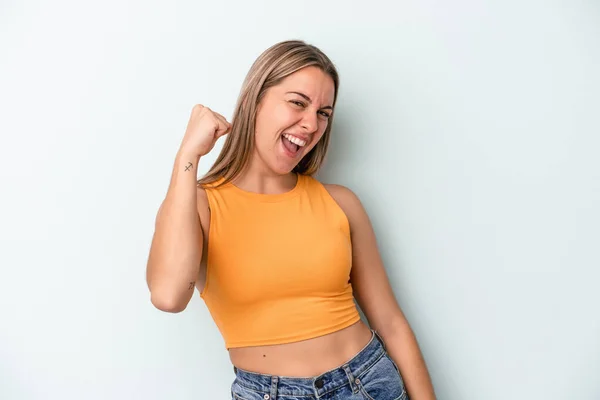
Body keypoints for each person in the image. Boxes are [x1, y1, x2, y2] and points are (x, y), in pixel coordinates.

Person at [146, 40, 436, 400]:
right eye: (298, 103)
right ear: (256, 101)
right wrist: (187, 155)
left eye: (324, 112)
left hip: (369, 382)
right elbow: (168, 295)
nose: (312, 124)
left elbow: (391, 324)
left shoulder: (340, 203)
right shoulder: (199, 205)